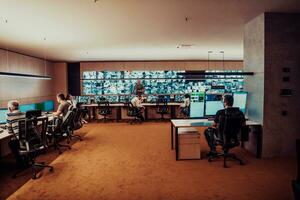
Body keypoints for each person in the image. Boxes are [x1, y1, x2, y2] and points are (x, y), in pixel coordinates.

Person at [6, 100, 27, 167]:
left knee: (12, 143)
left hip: (23, 141)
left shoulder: (9, 116)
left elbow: (9, 132)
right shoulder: (25, 114)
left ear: (9, 108)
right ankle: (26, 158)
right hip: (31, 139)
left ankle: (20, 162)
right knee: (15, 141)